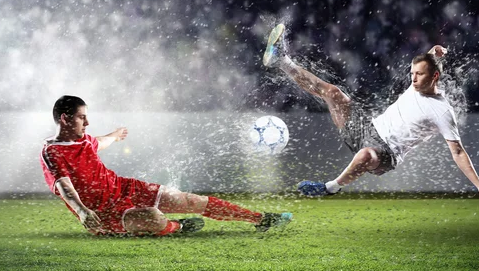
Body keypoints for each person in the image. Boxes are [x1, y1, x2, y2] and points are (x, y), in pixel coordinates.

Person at [262, 23, 479, 206]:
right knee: (333, 92)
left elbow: (458, 151)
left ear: (434, 77)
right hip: (368, 130)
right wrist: (434, 52)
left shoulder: (442, 110)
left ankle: (330, 188)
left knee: (367, 154)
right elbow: (427, 62)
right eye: (412, 73)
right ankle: (281, 60)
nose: (413, 78)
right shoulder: (418, 81)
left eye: (419, 75)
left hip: (388, 154)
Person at [40, 95, 293, 236]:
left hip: (124, 188)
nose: (87, 122)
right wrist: (83, 211)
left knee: (187, 199)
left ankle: (260, 219)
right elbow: (65, 187)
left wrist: (115, 136)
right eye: (82, 117)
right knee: (153, 217)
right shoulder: (51, 152)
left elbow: (98, 142)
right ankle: (178, 226)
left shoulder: (84, 139)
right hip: (102, 213)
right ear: (65, 118)